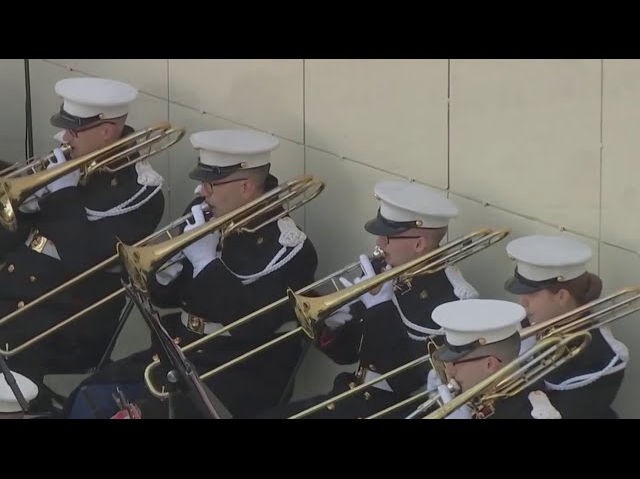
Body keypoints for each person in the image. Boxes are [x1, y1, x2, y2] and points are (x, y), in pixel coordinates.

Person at [62, 128, 319, 419]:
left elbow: (250, 326)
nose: (201, 191)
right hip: (179, 352)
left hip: (235, 372)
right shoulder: (205, 212)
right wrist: (163, 276)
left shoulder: (288, 248)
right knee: (89, 396)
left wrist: (206, 263)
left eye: (211, 184)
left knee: (134, 415)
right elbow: (172, 300)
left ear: (246, 186)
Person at [0, 76, 166, 411]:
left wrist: (64, 195)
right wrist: (18, 215)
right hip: (15, 295)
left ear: (106, 131)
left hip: (66, 319)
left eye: (74, 130)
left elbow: (86, 262)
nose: (64, 137)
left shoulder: (140, 192)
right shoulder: (65, 165)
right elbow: (15, 245)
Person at [260, 180, 479, 419]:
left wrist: (379, 308)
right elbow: (348, 355)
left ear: (419, 243)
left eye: (389, 237)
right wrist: (332, 324)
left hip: (394, 409)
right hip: (352, 394)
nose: (379, 243)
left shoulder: (451, 299)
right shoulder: (381, 268)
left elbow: (405, 381)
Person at [502, 234, 628, 419]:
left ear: (562, 296)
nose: (523, 302)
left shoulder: (601, 355)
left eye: (532, 294)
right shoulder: (527, 323)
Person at [418, 298, 565, 420]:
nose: (448, 370)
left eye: (455, 362)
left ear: (490, 364)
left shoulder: (533, 412)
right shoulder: (478, 395)